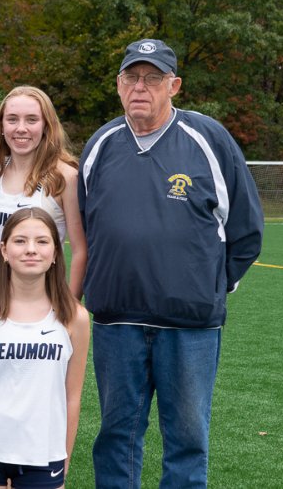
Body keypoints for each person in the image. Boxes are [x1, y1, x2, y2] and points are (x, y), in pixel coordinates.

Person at [79, 38, 263, 489]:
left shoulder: (207, 138)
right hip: (116, 324)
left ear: (174, 85)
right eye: (131, 78)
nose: (140, 87)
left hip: (189, 327)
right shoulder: (101, 144)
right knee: (116, 436)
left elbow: (246, 229)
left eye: (153, 78)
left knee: (186, 440)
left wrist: (210, 287)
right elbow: (87, 228)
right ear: (119, 85)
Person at [0, 208, 90, 489]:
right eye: (20, 241)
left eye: (42, 241)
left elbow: (72, 396)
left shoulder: (74, 317)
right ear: (4, 250)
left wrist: (65, 454)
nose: (31, 250)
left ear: (55, 252)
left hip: (43, 452)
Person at [0, 86, 86, 295]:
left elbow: (80, 251)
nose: (21, 128)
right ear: (1, 126)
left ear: (46, 126)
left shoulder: (65, 177)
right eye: (12, 119)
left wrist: (71, 305)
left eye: (32, 120)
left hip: (38, 310)